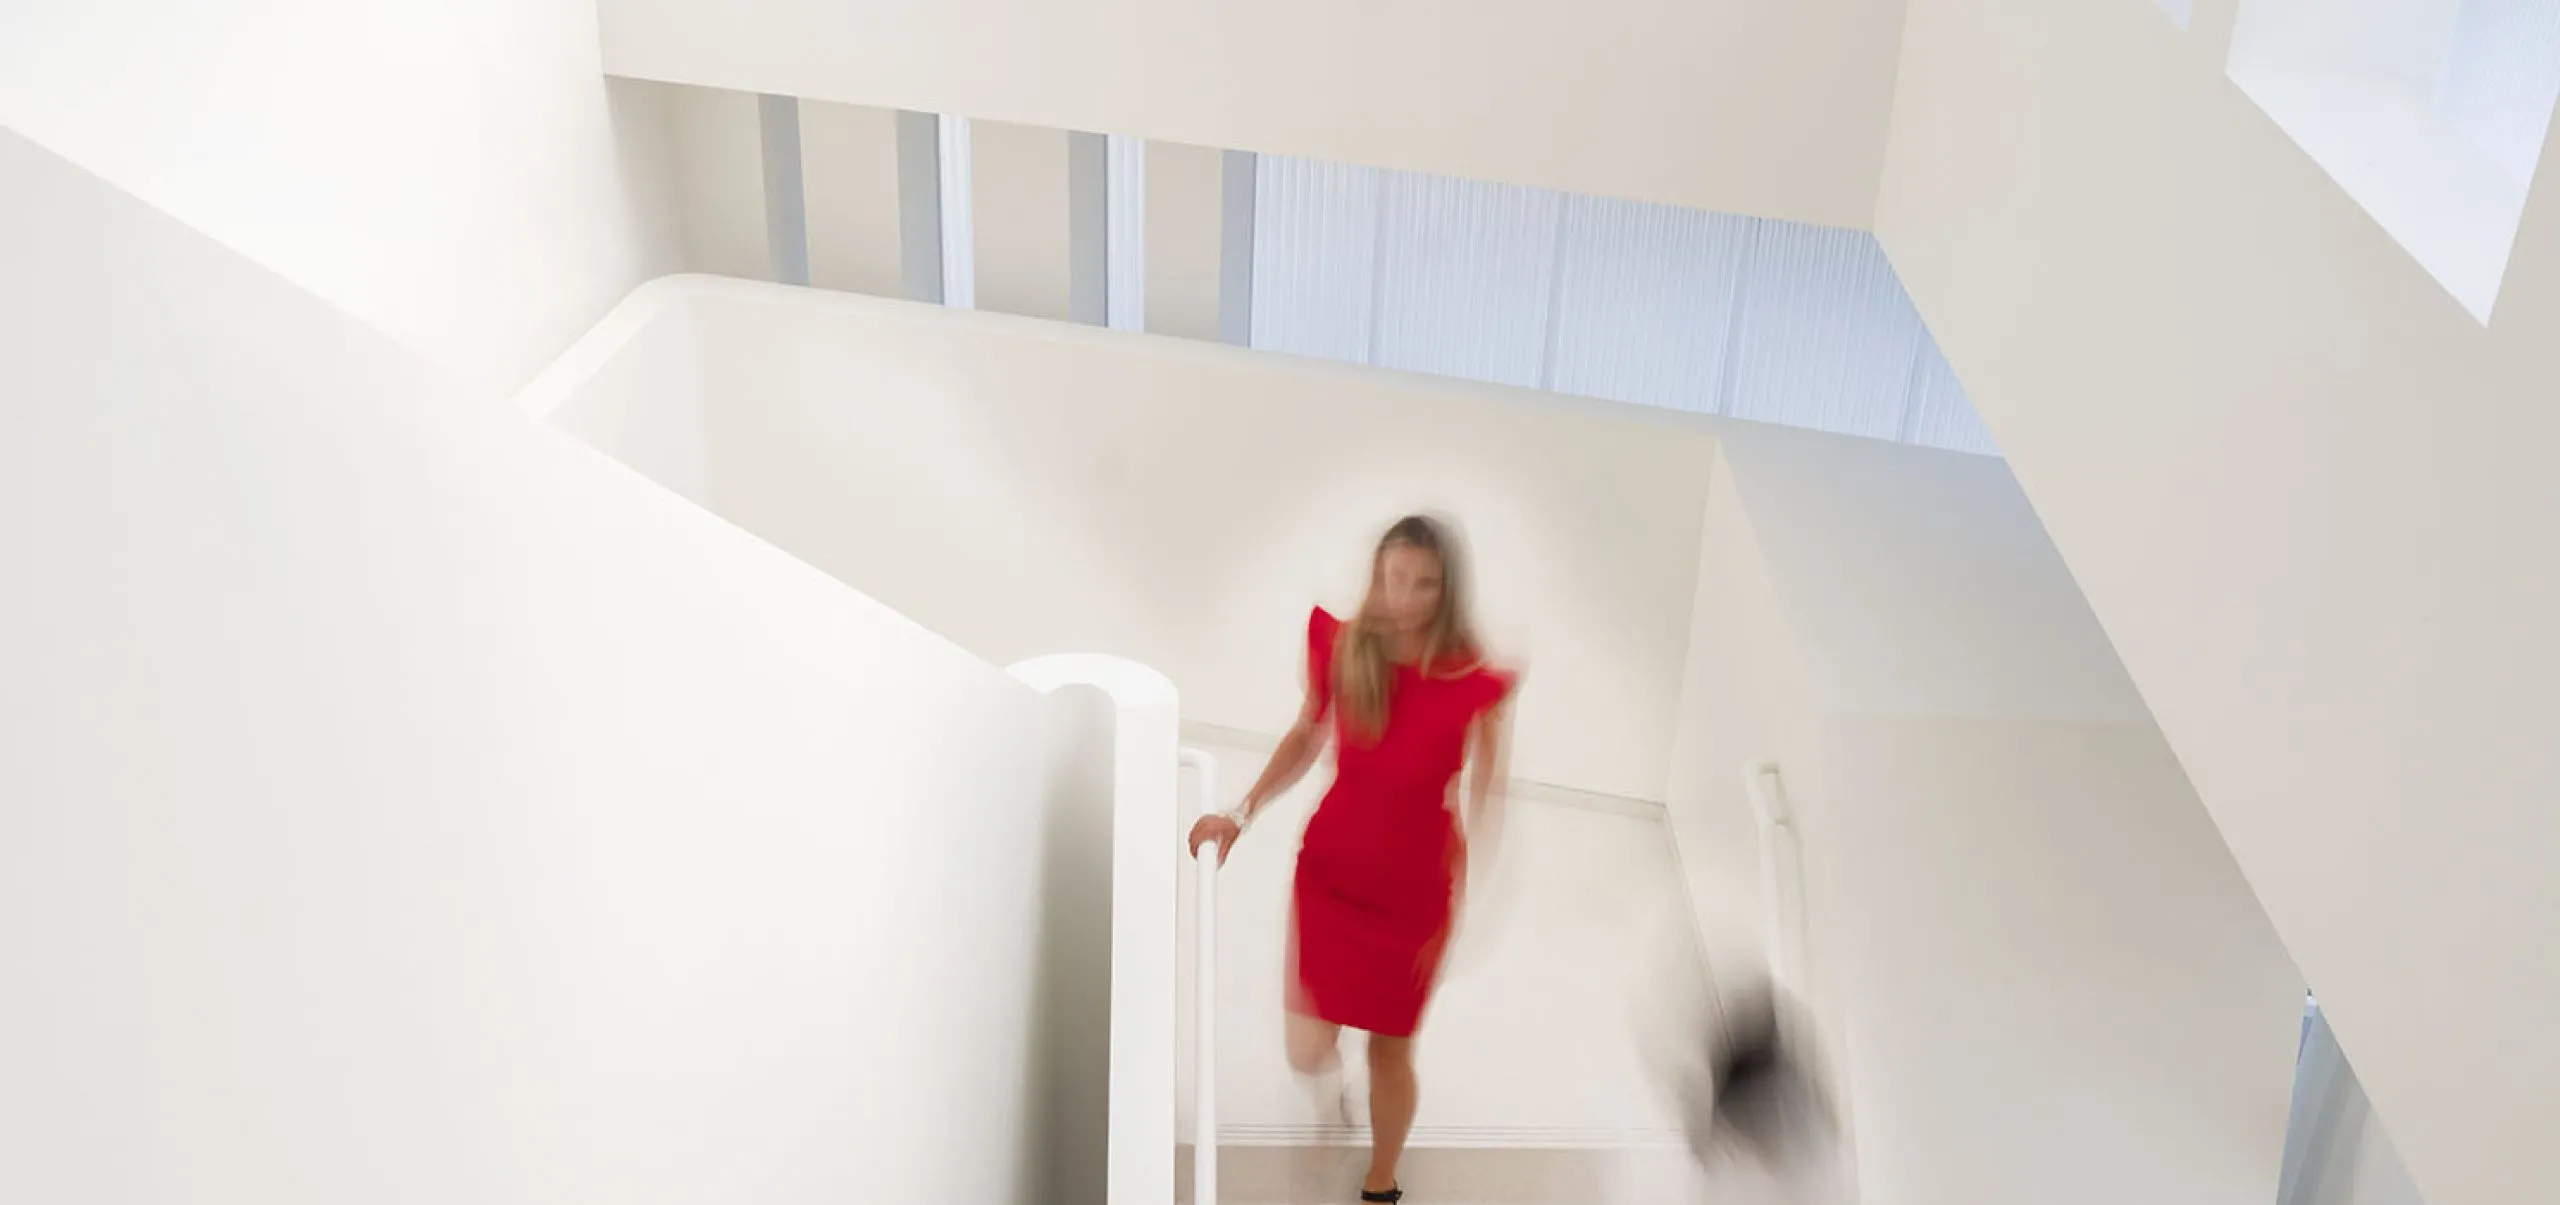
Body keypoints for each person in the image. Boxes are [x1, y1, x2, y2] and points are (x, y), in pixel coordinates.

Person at [1187, 514, 1517, 1204]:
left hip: (1414, 894)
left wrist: (1473, 901)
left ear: (1446, 589)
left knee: (1391, 1052)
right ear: (1378, 572)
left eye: (1425, 583)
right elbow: (1308, 733)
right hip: (1331, 877)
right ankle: (1335, 1101)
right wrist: (1240, 811)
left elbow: (1490, 791)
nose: (1406, 595)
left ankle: (1380, 1181)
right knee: (1306, 1051)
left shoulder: (1472, 680)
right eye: (1396, 577)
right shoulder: (1343, 645)